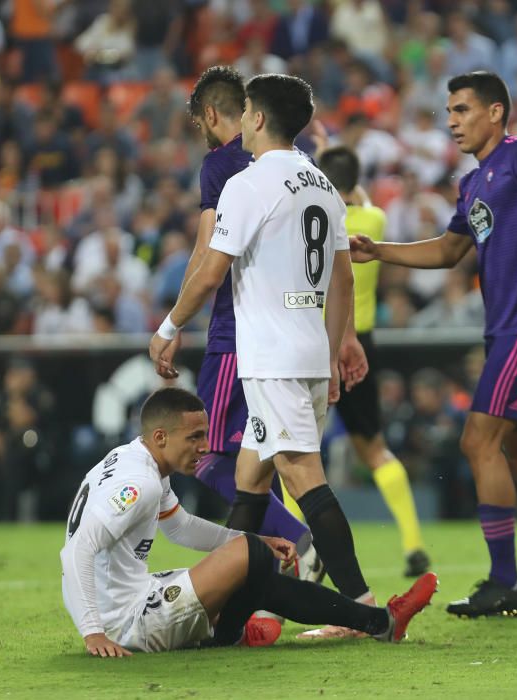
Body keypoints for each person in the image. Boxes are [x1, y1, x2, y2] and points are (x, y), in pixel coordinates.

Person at [150, 73, 380, 637]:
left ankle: (364, 611)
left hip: (272, 358)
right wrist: (331, 353)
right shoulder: (322, 182)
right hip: (303, 352)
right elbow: (344, 278)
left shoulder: (249, 185)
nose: (243, 121)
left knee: (302, 477)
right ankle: (231, 617)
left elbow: (209, 270)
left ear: (255, 118)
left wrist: (169, 324)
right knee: (251, 482)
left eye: (247, 110)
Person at [351, 71, 517, 617]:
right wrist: (378, 251)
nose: (452, 121)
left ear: (496, 112)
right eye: (449, 111)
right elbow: (448, 250)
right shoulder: (474, 181)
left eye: (462, 110)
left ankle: (503, 578)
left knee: (477, 442)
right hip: (510, 324)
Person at [60, 387, 437, 656]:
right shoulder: (139, 483)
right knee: (252, 558)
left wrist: (250, 537)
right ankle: (231, 633)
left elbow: (179, 526)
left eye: (205, 435)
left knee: (254, 559)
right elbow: (76, 550)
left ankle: (381, 622)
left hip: (134, 600)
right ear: (160, 436)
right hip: (128, 623)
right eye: (194, 437)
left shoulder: (136, 461)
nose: (205, 446)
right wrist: (93, 632)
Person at [156, 65, 321, 580]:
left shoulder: (223, 165)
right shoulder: (300, 163)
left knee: (207, 457)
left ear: (209, 113)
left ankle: (299, 544)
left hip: (238, 334)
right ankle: (282, 567)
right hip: (301, 332)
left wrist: (171, 323)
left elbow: (208, 254)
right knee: (262, 458)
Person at [317, 144, 431, 577]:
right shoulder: (374, 219)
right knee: (375, 449)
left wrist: (324, 157)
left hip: (319, 342)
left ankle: (303, 546)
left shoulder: (313, 219)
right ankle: (413, 543)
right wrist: (337, 160)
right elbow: (358, 195)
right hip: (362, 343)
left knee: (296, 453)